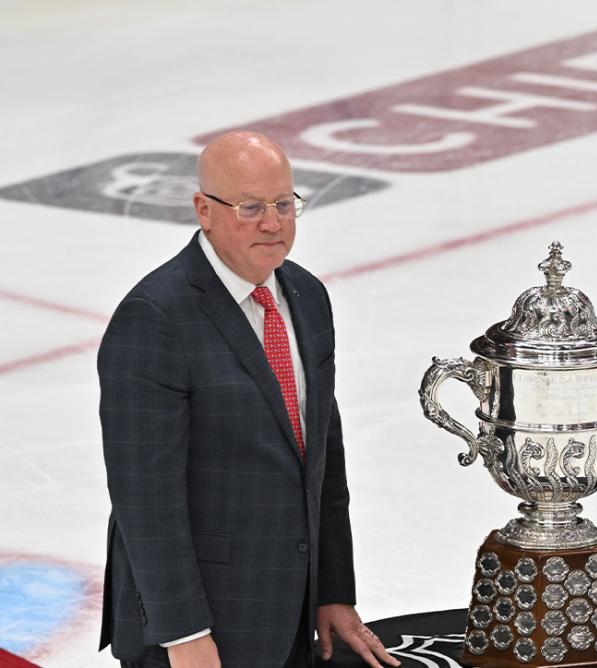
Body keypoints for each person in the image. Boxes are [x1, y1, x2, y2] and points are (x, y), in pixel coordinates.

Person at [98, 131, 401, 668]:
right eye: (251, 207)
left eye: (285, 204)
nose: (272, 222)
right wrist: (184, 633)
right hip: (198, 628)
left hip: (287, 610)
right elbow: (144, 499)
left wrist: (332, 590)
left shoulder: (306, 296)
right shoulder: (156, 317)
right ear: (203, 210)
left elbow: (322, 458)